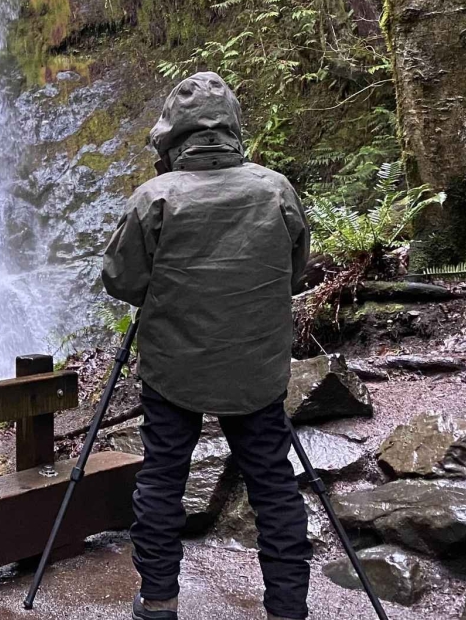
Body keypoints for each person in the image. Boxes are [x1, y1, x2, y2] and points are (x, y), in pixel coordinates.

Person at [100, 72, 313, 620]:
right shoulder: (275, 190)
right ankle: (288, 607)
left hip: (175, 367)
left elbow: (122, 282)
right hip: (256, 369)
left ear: (173, 136)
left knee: (164, 478)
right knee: (273, 484)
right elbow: (294, 273)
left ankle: (158, 601)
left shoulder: (155, 198)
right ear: (234, 130)